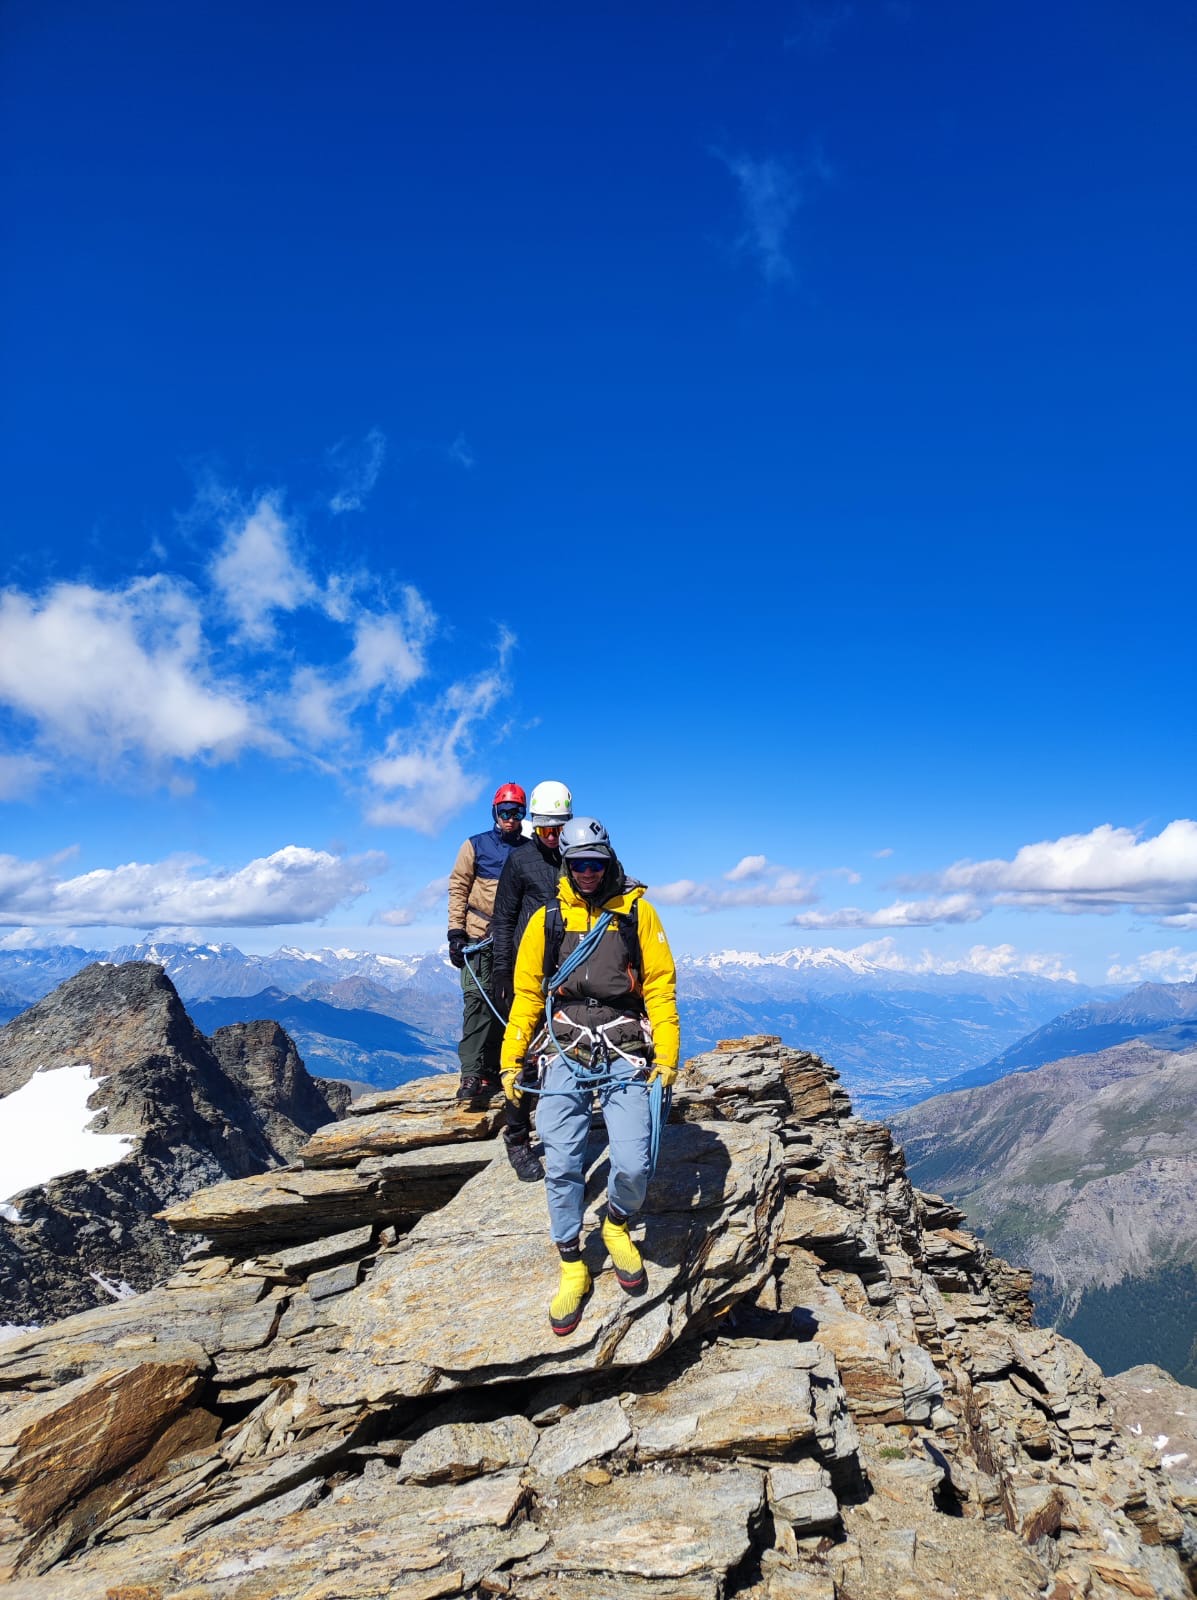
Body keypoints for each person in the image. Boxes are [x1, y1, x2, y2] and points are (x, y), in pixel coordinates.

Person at [500, 817, 679, 1335]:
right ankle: (572, 1262)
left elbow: (660, 986)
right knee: (561, 1163)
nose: (588, 872)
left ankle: (616, 1223)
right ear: (566, 863)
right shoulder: (548, 920)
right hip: (566, 1045)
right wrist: (511, 1058)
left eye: (596, 864)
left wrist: (667, 1056)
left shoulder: (636, 913)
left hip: (624, 1046)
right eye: (578, 863)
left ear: (609, 861)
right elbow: (528, 994)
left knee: (634, 1162)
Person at [490, 779, 574, 1183]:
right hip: (530, 972)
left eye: (558, 828)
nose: (552, 835)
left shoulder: (584, 858)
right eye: (544, 828)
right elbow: (504, 919)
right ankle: (518, 1138)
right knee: (523, 1055)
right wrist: (502, 971)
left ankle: (565, 1131)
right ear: (534, 825)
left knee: (572, 1052)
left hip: (574, 972)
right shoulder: (520, 860)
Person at [447, 781, 529, 1109]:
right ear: (495, 812)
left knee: (508, 1002)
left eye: (517, 812)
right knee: (476, 1001)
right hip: (478, 936)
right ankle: (471, 1072)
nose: (510, 818)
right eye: (504, 812)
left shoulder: (529, 851)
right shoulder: (475, 846)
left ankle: (494, 1068)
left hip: (514, 939)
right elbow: (458, 887)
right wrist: (456, 932)